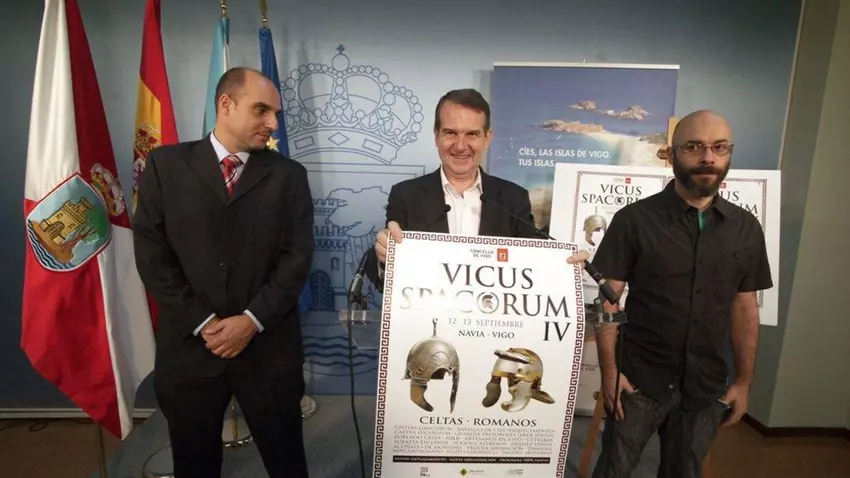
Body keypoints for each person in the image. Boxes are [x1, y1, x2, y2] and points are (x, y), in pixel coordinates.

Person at [133, 67, 314, 478]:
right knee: (194, 465)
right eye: (261, 110)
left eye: (276, 114)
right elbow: (152, 254)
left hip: (268, 350)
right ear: (226, 104)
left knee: (287, 464)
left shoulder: (289, 176)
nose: (273, 123)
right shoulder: (165, 166)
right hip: (191, 351)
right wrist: (205, 323)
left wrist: (250, 321)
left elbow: (298, 257)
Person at [590, 110, 773, 478]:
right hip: (638, 381)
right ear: (672, 154)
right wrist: (609, 372)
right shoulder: (634, 220)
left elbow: (745, 309)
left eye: (719, 147)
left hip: (705, 388)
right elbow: (607, 299)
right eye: (694, 147)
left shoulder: (746, 228)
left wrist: (743, 382)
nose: (708, 157)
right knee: (613, 471)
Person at [365, 88, 588, 288]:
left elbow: (534, 265)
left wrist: (564, 266)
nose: (460, 146)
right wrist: (383, 257)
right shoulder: (406, 195)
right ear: (436, 136)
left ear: (487, 138)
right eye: (450, 133)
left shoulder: (512, 198)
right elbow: (382, 278)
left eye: (472, 134)